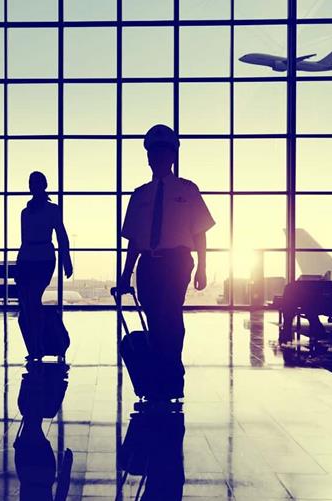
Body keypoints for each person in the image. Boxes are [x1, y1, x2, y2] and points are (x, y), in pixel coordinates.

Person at [118, 124, 215, 401]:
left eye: (163, 152)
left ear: (172, 157)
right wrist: (125, 274)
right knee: (154, 317)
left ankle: (171, 374)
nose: (158, 158)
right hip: (148, 264)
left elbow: (200, 232)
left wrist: (203, 266)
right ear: (148, 158)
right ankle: (163, 372)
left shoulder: (188, 190)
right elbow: (135, 240)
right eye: (154, 153)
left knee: (170, 316)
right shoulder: (140, 195)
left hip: (176, 262)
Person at [17, 171, 73, 360]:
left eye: (35, 183)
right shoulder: (25, 213)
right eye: (31, 183)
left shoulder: (51, 210)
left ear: (43, 185)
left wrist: (66, 259)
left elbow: (61, 235)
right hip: (29, 258)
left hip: (42, 259)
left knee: (32, 301)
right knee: (28, 303)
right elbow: (25, 240)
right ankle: (36, 344)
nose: (33, 186)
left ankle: (37, 345)